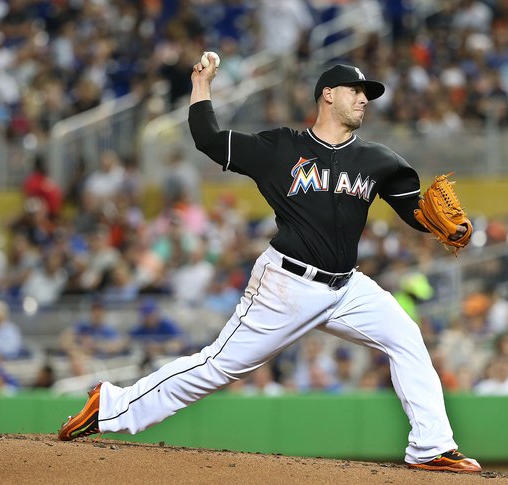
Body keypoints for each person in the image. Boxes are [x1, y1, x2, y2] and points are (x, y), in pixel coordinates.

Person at [58, 57, 480, 473]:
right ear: (327, 95)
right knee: (217, 366)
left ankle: (431, 446)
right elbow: (208, 139)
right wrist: (201, 84)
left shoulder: (378, 160)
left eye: (366, 94)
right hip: (287, 285)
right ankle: (110, 406)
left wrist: (447, 227)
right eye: (355, 91)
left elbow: (416, 212)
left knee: (405, 336)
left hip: (347, 287)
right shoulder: (281, 148)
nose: (364, 99)